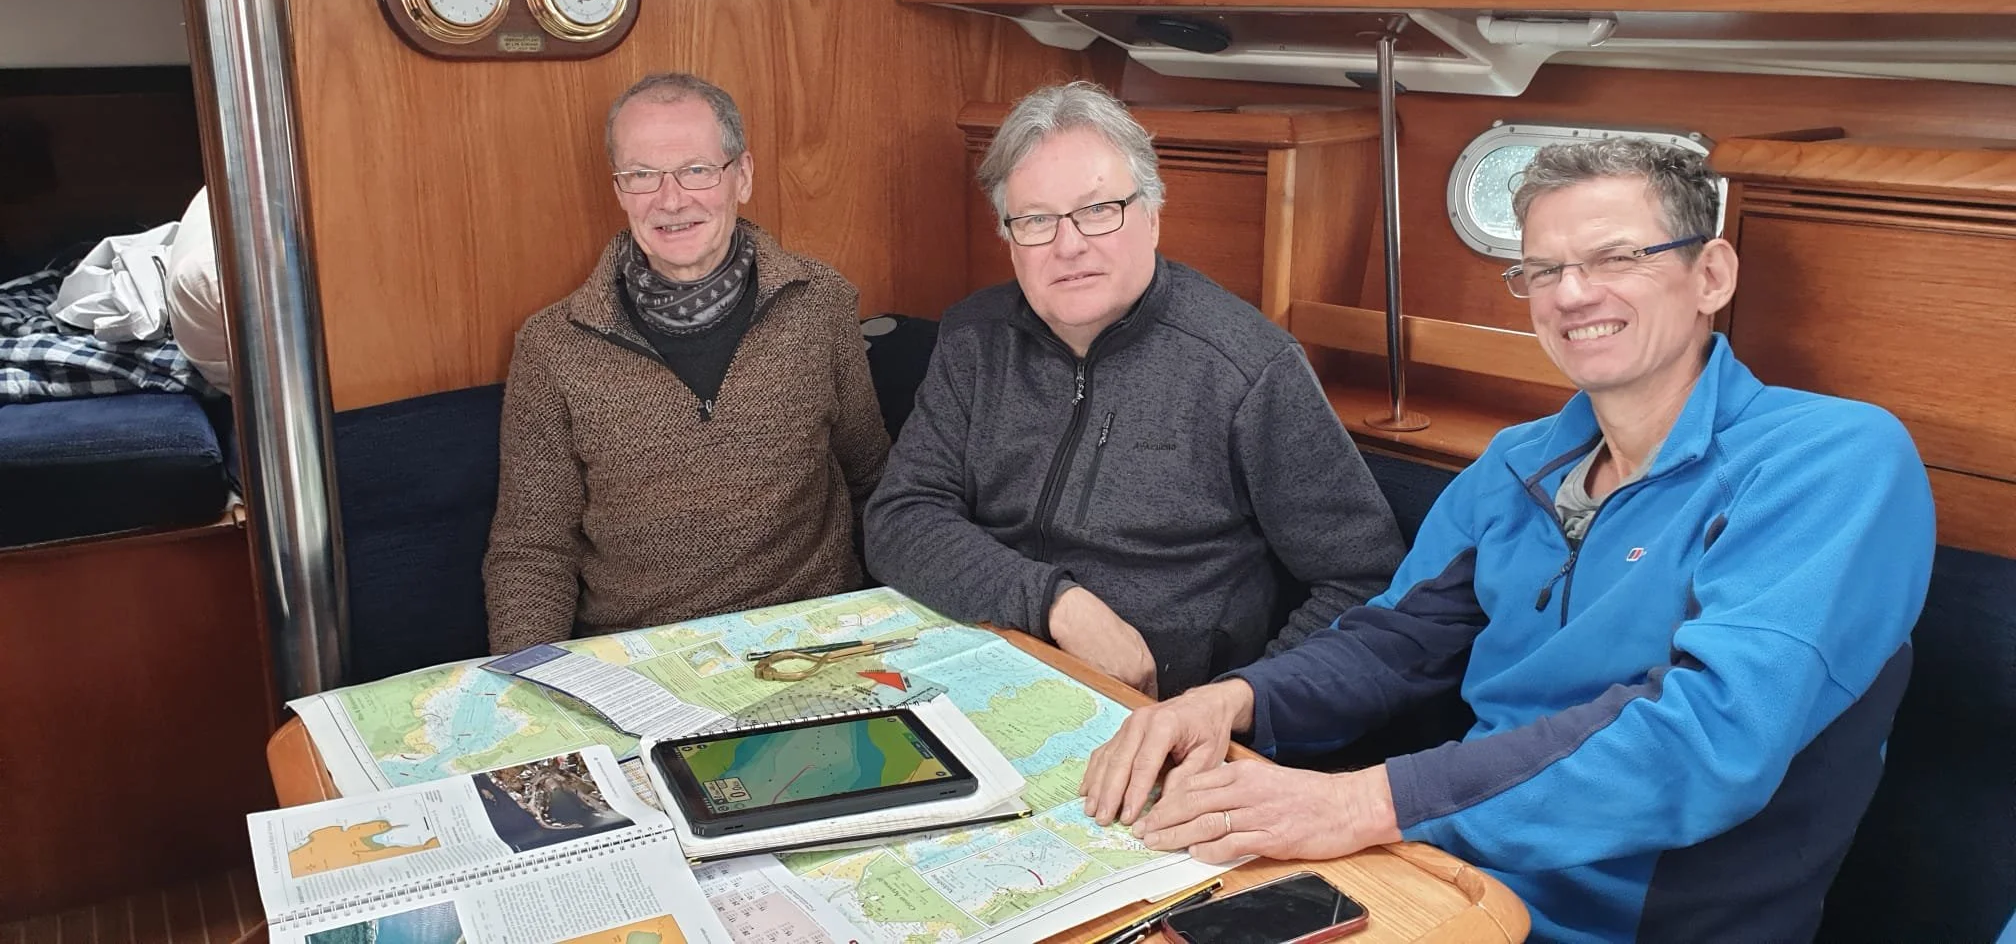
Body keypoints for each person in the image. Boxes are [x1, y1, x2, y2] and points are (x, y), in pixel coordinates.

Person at [1080, 138, 1935, 943]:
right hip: (1442, 876)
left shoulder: (1832, 458)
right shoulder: (1518, 461)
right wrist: (1230, 701)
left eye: (1615, 258)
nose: (1572, 294)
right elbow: (1394, 644)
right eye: (1544, 269)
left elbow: (1708, 737)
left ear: (1709, 273)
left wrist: (1363, 803)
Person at [865, 81, 1404, 698]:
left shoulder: (1249, 369)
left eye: (1098, 210)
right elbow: (900, 518)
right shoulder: (973, 337)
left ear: (1151, 216)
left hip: (1157, 711)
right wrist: (1056, 605)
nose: (1068, 246)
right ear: (1009, 238)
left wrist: (1234, 704)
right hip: (976, 660)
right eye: (1036, 219)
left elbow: (1367, 583)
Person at [482, 72, 889, 651]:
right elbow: (532, 549)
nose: (671, 200)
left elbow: (873, 480)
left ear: (740, 176)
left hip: (810, 642)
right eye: (642, 175)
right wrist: (535, 689)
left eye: (697, 170)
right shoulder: (552, 346)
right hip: (639, 659)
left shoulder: (821, 304)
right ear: (620, 190)